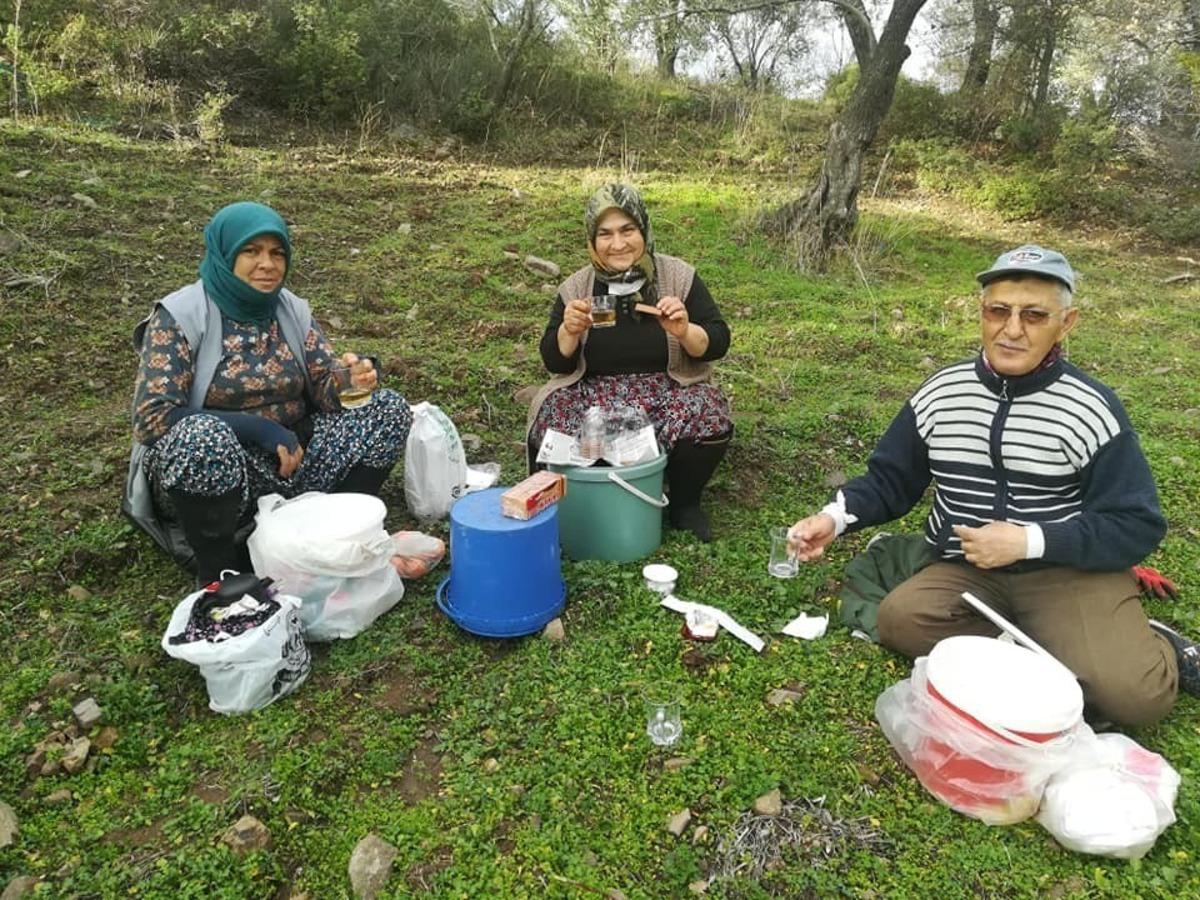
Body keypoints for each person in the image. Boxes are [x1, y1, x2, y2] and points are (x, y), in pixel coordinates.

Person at [787, 244, 1199, 726]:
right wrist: (834, 519)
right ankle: (1056, 643)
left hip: (1065, 571)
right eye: (999, 310)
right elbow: (890, 480)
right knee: (899, 621)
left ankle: (1154, 642)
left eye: (1034, 315)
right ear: (981, 314)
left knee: (1136, 699)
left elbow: (1137, 524)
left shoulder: (1091, 409)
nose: (1013, 329)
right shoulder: (942, 392)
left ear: (1066, 324)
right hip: (968, 570)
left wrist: (1028, 540)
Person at [123, 201, 413, 584]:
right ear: (225, 254)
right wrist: (258, 429)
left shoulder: (288, 308)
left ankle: (332, 531)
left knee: (388, 409)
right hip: (219, 471)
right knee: (200, 439)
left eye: (277, 253)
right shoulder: (180, 315)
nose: (268, 264)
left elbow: (324, 388)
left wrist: (351, 380)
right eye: (251, 251)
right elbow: (152, 417)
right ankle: (222, 568)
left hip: (292, 457)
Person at [526, 183, 733, 541]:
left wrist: (684, 330)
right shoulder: (576, 287)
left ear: (644, 230)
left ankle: (684, 502)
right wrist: (569, 332)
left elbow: (717, 343)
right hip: (593, 398)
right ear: (592, 240)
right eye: (605, 234)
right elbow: (555, 363)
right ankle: (592, 491)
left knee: (707, 411)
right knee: (550, 413)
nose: (618, 244)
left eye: (627, 230)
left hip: (665, 391)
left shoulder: (678, 277)